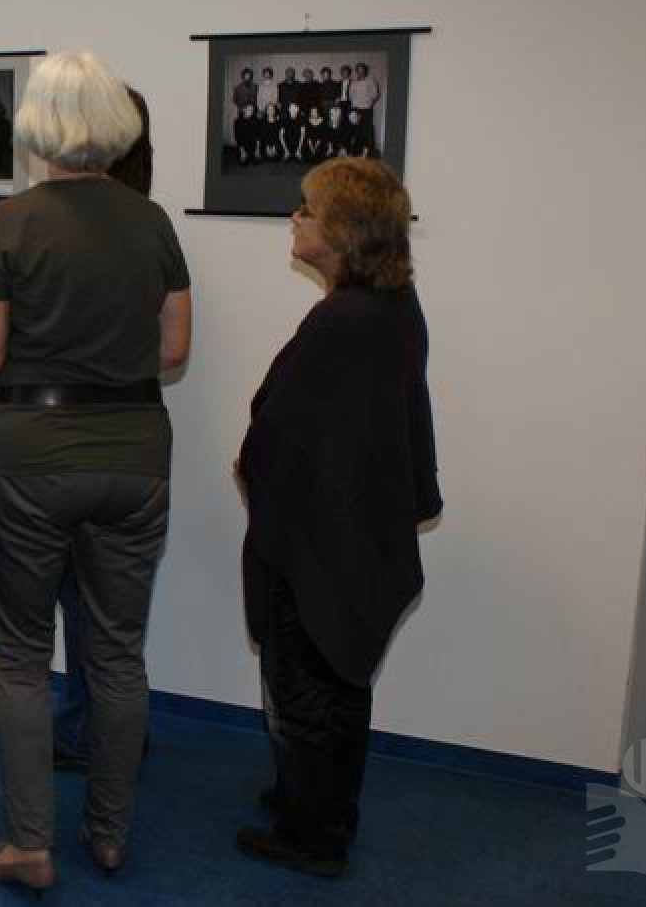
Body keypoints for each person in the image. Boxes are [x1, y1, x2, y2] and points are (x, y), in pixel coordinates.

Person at [0, 52, 191, 893]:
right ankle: (111, 835)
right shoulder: (152, 222)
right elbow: (173, 349)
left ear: (38, 128)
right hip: (135, 456)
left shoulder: (11, 223)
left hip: (31, 459)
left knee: (22, 655)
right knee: (118, 654)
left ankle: (30, 846)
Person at [233, 157, 440, 879]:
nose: (295, 219)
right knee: (341, 677)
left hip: (322, 533)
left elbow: (284, 426)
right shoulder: (391, 305)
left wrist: (255, 462)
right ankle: (324, 805)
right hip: (355, 529)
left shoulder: (344, 322)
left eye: (307, 209)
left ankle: (311, 835)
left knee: (306, 685)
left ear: (345, 231)